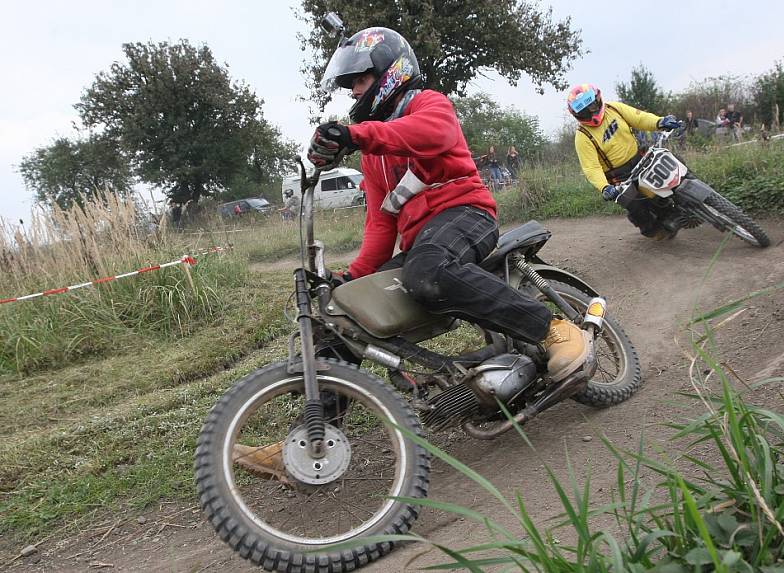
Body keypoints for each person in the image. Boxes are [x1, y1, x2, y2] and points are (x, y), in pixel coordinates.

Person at [233, 27, 592, 478]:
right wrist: (351, 278)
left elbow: (430, 132)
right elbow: (381, 223)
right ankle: (308, 439)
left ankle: (554, 328)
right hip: (422, 240)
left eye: (360, 79)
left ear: (389, 70)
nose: (355, 91)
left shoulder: (426, 104)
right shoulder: (374, 155)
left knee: (428, 272)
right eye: (350, 85)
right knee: (341, 316)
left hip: (466, 213)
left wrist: (355, 134)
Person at [566, 83, 682, 240]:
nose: (590, 112)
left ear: (598, 100)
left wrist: (660, 122)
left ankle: (690, 198)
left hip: (640, 157)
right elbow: (591, 167)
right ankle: (652, 230)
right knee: (635, 204)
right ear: (577, 114)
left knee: (673, 165)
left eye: (592, 106)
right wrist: (604, 187)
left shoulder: (613, 109)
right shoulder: (582, 136)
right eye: (583, 111)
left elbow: (639, 118)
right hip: (618, 177)